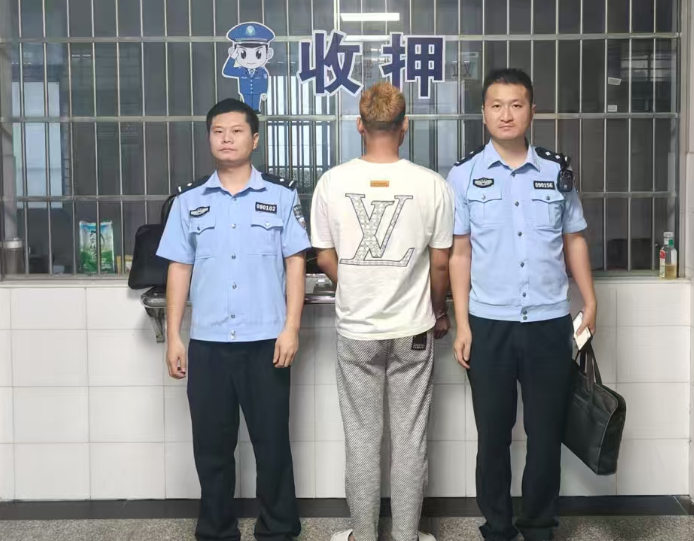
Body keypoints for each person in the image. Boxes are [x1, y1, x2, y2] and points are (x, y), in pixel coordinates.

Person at [447, 68, 597, 541]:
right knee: (492, 435)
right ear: (484, 113)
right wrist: (462, 324)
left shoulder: (556, 171)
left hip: (549, 322)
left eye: (516, 105)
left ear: (532, 111)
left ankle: (538, 525)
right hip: (488, 325)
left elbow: (574, 239)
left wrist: (590, 300)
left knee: (545, 433)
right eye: (497, 105)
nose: (506, 114)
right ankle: (497, 526)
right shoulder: (464, 174)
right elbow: (459, 254)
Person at [157, 98, 310, 541]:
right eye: (218, 131)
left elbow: (296, 263)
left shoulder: (281, 196)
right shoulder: (188, 201)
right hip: (208, 344)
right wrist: (174, 336)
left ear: (254, 139)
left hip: (266, 342)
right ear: (209, 138)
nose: (226, 138)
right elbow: (179, 269)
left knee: (272, 445)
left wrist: (291, 328)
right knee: (211, 448)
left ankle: (278, 529)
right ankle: (216, 530)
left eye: (237, 131)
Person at [310, 81, 454, 541]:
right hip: (414, 329)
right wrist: (437, 310)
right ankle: (408, 536)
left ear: (359, 125)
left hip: (357, 331)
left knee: (362, 438)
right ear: (404, 126)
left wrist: (354, 286)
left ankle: (364, 535)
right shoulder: (432, 185)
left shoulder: (332, 183)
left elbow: (324, 256)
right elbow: (441, 263)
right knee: (410, 439)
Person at [223, 22, 275, 112]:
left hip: (257, 93)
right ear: (233, 51)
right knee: (246, 105)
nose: (251, 60)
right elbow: (227, 71)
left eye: (258, 54)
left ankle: (256, 110)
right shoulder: (241, 70)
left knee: (255, 105)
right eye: (243, 54)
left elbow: (264, 82)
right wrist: (232, 58)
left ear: (268, 53)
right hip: (245, 92)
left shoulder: (263, 72)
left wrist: (264, 92)